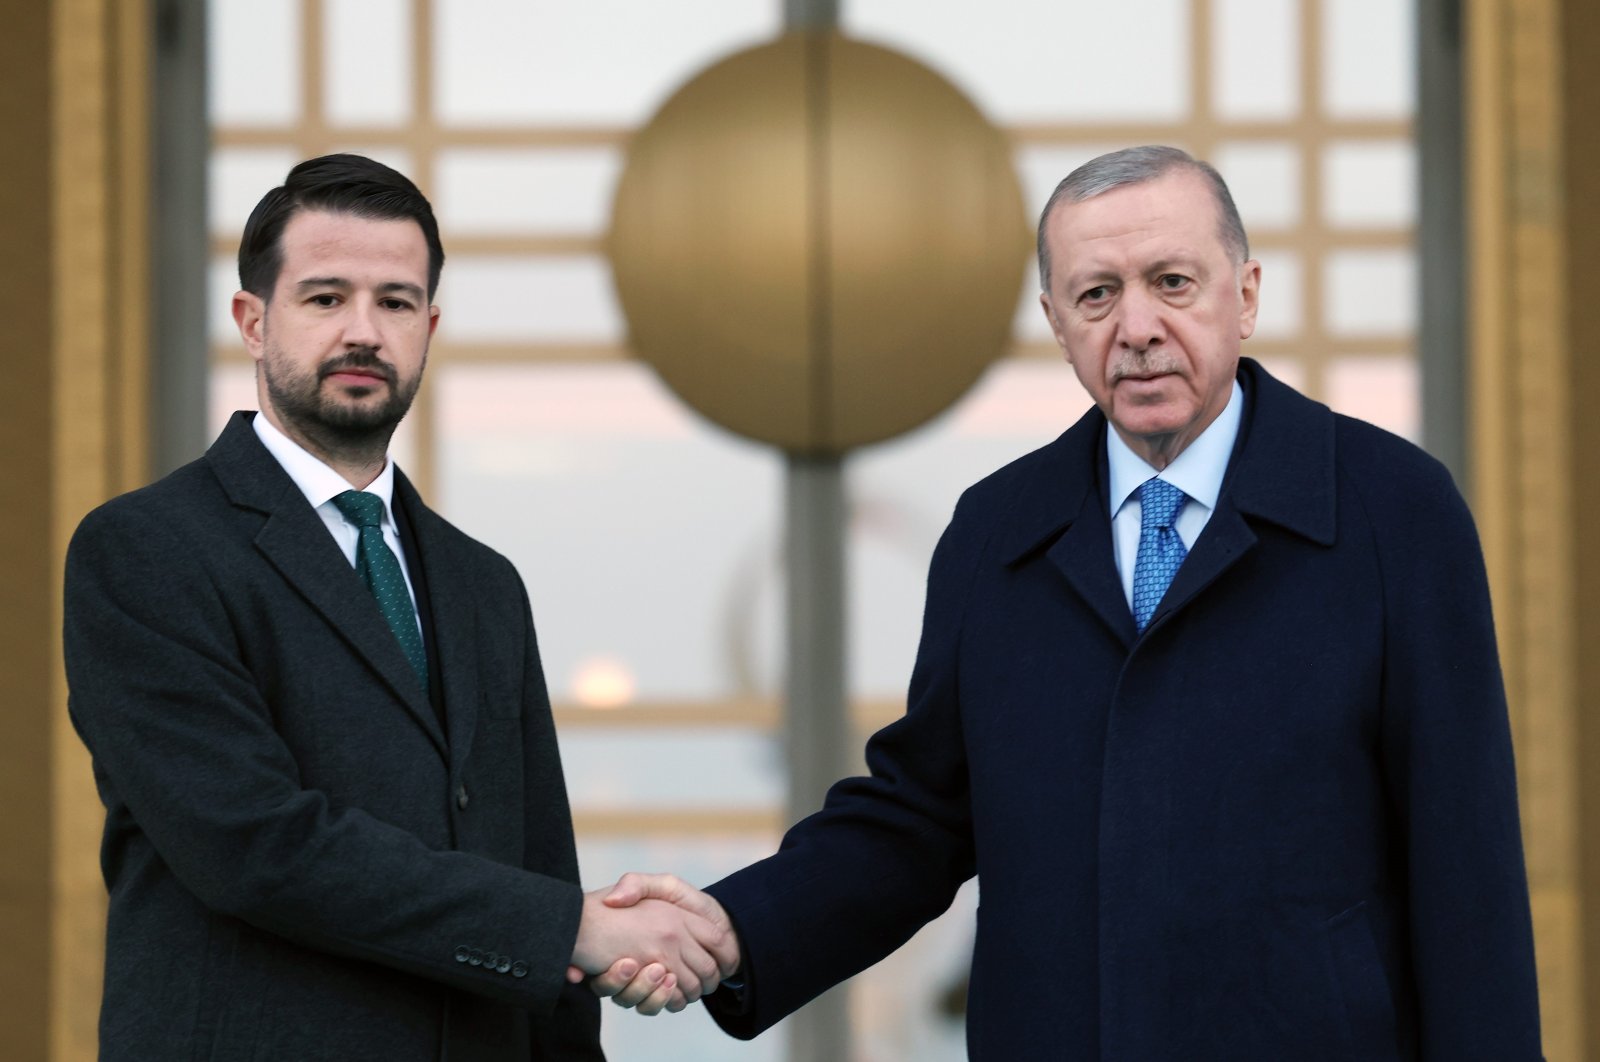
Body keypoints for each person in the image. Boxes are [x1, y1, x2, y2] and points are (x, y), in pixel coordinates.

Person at [583, 146, 1544, 1059]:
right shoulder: (997, 532)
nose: (1136, 329)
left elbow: (1466, 866)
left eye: (1173, 282)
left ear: (1245, 296)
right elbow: (919, 818)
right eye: (1097, 295)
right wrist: (735, 925)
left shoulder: (1392, 511)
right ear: (1056, 321)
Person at [63, 153, 735, 1062]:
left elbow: (539, 863)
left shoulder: (483, 584)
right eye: (325, 298)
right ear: (252, 322)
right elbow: (253, 845)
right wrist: (567, 928)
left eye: (394, 301)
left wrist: (568, 942)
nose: (363, 331)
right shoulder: (146, 550)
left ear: (429, 326)